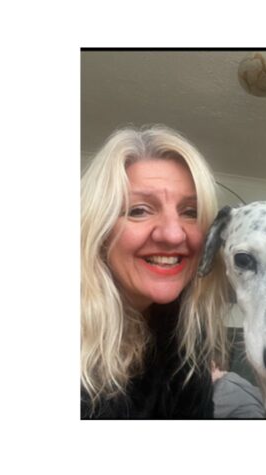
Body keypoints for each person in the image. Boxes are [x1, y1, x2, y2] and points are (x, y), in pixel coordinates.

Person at [80, 124, 230, 419]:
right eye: (139, 210)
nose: (174, 235)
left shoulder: (187, 335)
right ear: (98, 230)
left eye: (190, 212)